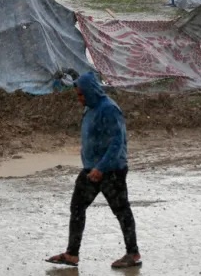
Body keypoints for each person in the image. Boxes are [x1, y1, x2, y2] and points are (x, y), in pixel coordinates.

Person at [46, 72, 141, 269]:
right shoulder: (90, 109)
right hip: (91, 170)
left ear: (91, 91)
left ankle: (132, 253)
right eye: (78, 95)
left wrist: (102, 167)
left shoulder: (109, 109)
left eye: (81, 95)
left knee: (122, 211)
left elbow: (118, 142)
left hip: (111, 171)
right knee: (77, 207)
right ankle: (72, 254)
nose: (79, 99)